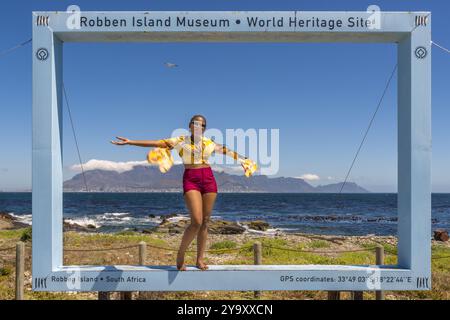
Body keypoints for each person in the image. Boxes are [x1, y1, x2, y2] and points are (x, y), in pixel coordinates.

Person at [110, 115, 256, 271]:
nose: (199, 127)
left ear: (205, 128)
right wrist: (131, 142)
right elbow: (157, 142)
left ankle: (199, 259)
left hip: (209, 179)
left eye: (202, 125)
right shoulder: (180, 141)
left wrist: (243, 160)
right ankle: (180, 254)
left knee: (205, 221)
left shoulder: (210, 143)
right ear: (190, 125)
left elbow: (228, 151)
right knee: (197, 221)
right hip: (191, 179)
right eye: (196, 123)